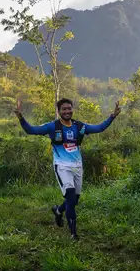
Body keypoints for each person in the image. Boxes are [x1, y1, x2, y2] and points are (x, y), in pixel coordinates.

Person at [14, 98, 121, 240]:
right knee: (70, 197)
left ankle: (58, 210)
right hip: (62, 166)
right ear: (58, 111)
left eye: (69, 108)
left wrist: (113, 116)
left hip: (77, 167)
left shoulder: (79, 126)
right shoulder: (52, 126)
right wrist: (21, 117)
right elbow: (31, 130)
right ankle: (73, 233)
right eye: (64, 109)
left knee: (74, 200)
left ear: (72, 109)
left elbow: (99, 128)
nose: (67, 111)